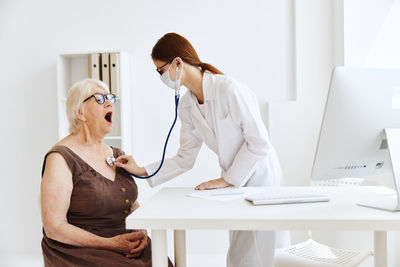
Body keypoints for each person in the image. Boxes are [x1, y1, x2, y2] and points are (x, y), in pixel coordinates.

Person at [115, 33, 290, 267]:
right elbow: (185, 158)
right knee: (240, 253)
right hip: (235, 183)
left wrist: (227, 179)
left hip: (261, 177)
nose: (161, 77)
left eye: (160, 70)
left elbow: (259, 143)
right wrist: (142, 170)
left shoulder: (229, 89)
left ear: (178, 62)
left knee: (263, 253)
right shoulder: (187, 105)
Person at [40, 79, 173, 267]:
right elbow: (54, 227)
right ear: (80, 112)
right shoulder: (60, 158)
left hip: (124, 242)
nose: (109, 103)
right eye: (100, 99)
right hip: (80, 249)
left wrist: (141, 232)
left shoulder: (117, 154)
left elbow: (130, 202)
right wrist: (110, 244)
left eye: (110, 97)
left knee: (163, 263)